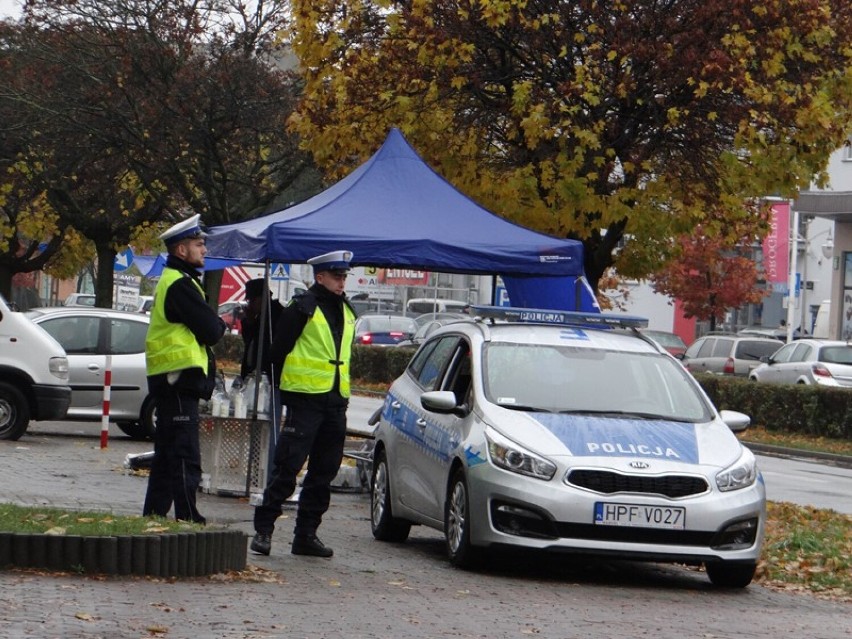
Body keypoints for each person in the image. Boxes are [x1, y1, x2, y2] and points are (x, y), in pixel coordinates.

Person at [250, 250, 357, 558]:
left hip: (335, 402)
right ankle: (264, 530)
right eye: (337, 277)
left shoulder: (347, 310)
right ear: (319, 277)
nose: (341, 282)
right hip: (306, 400)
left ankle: (306, 535)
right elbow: (277, 350)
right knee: (288, 467)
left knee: (324, 471)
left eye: (344, 277)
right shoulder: (302, 308)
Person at [143, 214, 228, 524]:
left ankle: (152, 515)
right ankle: (188, 516)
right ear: (181, 250)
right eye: (198, 244)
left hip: (171, 381)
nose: (204, 249)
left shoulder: (178, 281)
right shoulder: (181, 285)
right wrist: (218, 323)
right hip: (178, 381)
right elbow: (211, 331)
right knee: (184, 452)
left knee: (167, 454)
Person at [239, 278, 285, 380]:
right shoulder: (259, 316)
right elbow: (248, 341)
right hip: (253, 373)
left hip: (268, 375)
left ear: (261, 298)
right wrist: (249, 321)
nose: (250, 304)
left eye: (252, 300)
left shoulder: (275, 316)